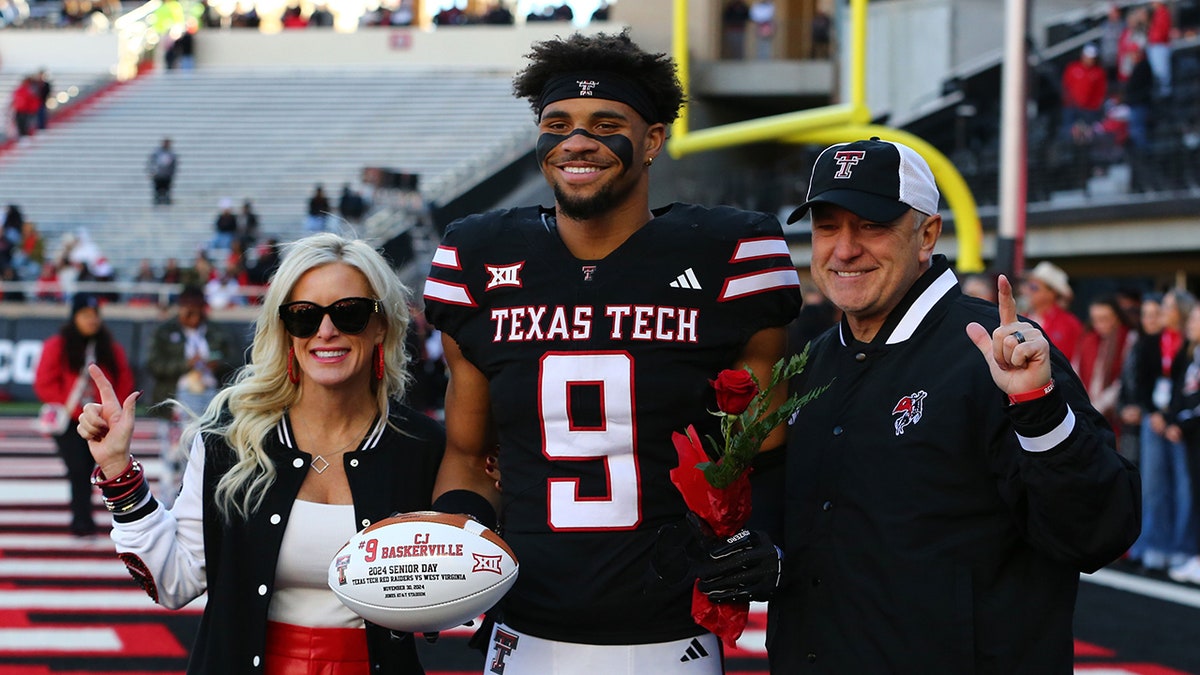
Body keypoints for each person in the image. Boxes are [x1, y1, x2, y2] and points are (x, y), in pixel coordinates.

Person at [421, 30, 802, 674]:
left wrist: (761, 540)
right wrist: (448, 547)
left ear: (652, 140)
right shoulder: (479, 258)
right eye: (558, 123)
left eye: (605, 123)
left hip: (670, 634)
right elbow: (465, 454)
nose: (577, 141)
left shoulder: (729, 256)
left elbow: (766, 455)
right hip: (524, 631)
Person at [764, 137, 1140, 672]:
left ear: (927, 234)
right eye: (827, 226)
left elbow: (1098, 533)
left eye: (871, 225)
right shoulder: (814, 360)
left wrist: (1039, 409)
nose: (844, 249)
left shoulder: (998, 350)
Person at [76, 232, 445, 673]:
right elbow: (173, 582)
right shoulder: (229, 441)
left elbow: (455, 590)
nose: (326, 331)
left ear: (381, 324)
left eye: (349, 313)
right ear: (286, 332)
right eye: (304, 316)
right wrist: (118, 470)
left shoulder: (424, 446)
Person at [33, 293, 135, 536]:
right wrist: (76, 410)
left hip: (102, 422)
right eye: (85, 315)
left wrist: (111, 412)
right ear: (74, 317)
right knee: (78, 469)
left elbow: (123, 380)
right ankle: (82, 521)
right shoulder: (57, 345)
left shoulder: (110, 348)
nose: (92, 320)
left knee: (100, 471)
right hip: (70, 421)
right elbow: (44, 383)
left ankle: (117, 522)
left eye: (95, 315)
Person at [1129, 287, 1196, 572]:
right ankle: (1153, 545)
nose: (1163, 313)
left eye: (1168, 307)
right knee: (1154, 485)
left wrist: (1171, 419)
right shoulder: (1151, 342)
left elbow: (1186, 386)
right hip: (1154, 419)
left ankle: (1182, 547)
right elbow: (1141, 382)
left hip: (1180, 422)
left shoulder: (1190, 344)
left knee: (1184, 486)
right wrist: (1154, 414)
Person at [1166, 302, 1200, 583]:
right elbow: (1180, 392)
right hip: (1191, 435)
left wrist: (1183, 422)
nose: (1189, 324)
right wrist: (1173, 419)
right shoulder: (1191, 354)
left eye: (1195, 319)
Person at [1074, 294, 1134, 434]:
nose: (1099, 324)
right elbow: (1075, 371)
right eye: (1095, 319)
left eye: (1105, 319)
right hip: (1088, 408)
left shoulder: (1128, 338)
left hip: (1114, 412)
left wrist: (1099, 406)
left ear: (1117, 318)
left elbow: (1124, 378)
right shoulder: (1086, 340)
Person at [1022, 260, 1084, 363]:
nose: (1028, 291)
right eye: (1028, 286)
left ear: (1052, 293)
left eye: (1034, 287)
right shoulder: (1022, 318)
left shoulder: (1070, 323)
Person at [1060, 44, 1108, 144]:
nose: (1089, 60)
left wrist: (1095, 105)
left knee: (1087, 133)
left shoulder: (1098, 72)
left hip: (1089, 109)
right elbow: (1066, 85)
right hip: (1071, 107)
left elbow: (1100, 91)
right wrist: (1068, 100)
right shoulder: (1073, 68)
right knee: (1069, 131)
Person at [147, 138, 178, 205]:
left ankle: (167, 202)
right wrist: (151, 172)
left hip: (167, 175)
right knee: (158, 190)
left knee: (167, 190)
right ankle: (157, 202)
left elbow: (174, 165)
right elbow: (152, 163)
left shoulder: (171, 154)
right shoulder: (157, 153)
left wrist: (172, 173)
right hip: (158, 175)